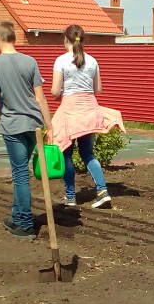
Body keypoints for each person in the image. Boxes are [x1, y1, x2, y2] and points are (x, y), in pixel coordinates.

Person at [0, 21, 54, 240]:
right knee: (21, 171)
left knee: (20, 174)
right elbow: (40, 98)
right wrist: (49, 125)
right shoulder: (30, 61)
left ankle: (25, 224)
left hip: (14, 126)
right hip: (34, 125)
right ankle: (17, 217)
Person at [49, 24, 125, 209]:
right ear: (82, 40)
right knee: (88, 153)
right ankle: (102, 192)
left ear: (65, 39)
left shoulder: (61, 61)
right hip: (89, 111)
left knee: (66, 153)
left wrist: (62, 93)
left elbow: (54, 91)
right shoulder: (92, 61)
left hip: (70, 112)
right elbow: (98, 89)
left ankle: (70, 197)